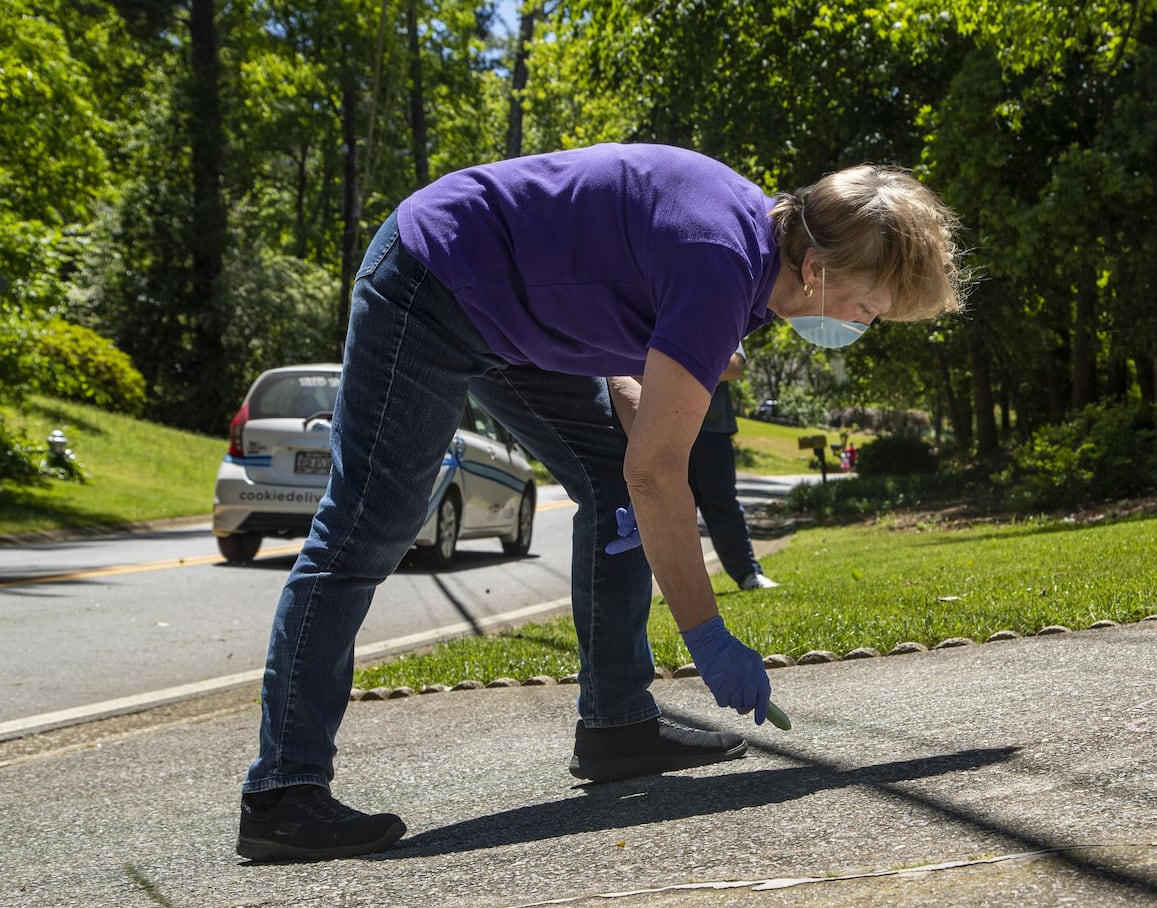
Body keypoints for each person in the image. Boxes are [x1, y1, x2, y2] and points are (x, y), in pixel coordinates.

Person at [235, 142, 967, 862]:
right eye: (867, 310)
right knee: (370, 525)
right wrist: (706, 636)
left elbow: (619, 310)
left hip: (511, 312)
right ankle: (284, 791)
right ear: (815, 269)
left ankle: (617, 726)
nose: (862, 328)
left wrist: (645, 393)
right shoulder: (723, 258)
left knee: (610, 480)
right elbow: (658, 472)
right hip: (434, 279)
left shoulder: (748, 251)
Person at [691, 344, 778, 591]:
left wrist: (676, 368)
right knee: (672, 512)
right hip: (667, 429)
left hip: (713, 432)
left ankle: (748, 574)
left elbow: (732, 367)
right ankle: (683, 586)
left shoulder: (723, 314)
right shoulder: (658, 308)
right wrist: (705, 363)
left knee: (723, 505)